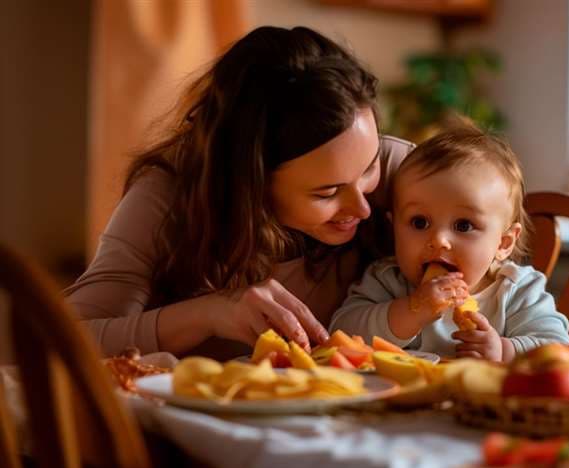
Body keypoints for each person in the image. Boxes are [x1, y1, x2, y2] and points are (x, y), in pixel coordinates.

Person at [64, 26, 413, 359]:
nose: (363, 207)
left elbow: (467, 274)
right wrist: (209, 313)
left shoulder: (405, 173)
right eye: (327, 192)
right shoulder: (167, 196)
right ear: (252, 182)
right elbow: (64, 341)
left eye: (368, 168)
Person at [329, 122, 569, 362]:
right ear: (394, 228)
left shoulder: (516, 291)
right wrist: (412, 310)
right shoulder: (388, 282)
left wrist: (503, 350)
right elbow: (341, 333)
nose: (439, 240)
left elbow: (559, 349)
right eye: (419, 222)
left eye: (463, 226)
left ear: (503, 243)